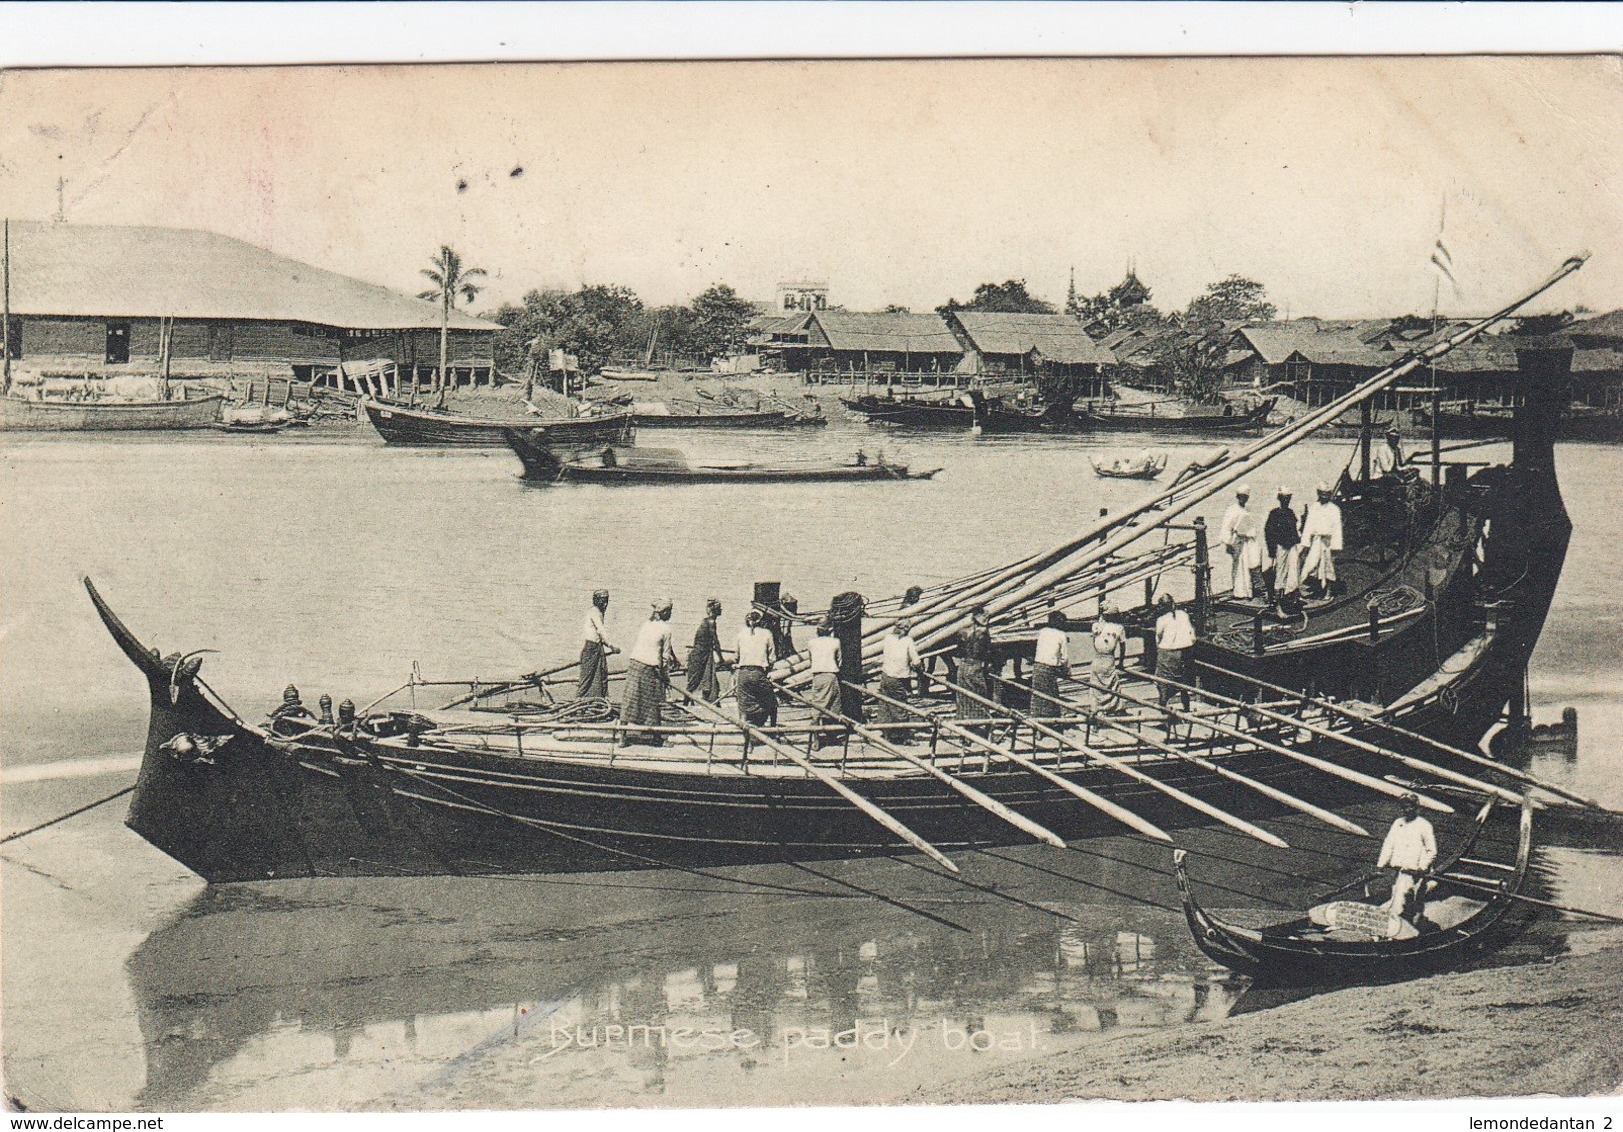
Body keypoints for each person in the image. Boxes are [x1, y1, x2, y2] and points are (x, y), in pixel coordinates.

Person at [619, 599, 678, 746]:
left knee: (630, 700)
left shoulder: (647, 624)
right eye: (670, 611)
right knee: (653, 704)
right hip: (649, 668)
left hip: (634, 664)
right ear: (664, 612)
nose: (671, 614)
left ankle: (622, 737)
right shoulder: (666, 629)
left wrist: (674, 658)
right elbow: (664, 657)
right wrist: (666, 677)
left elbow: (660, 646)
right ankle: (657, 739)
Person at [1376, 793, 1437, 920]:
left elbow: (1431, 850)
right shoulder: (1398, 823)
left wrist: (1421, 867)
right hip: (1400, 869)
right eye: (1404, 807)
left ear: (1416, 807)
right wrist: (1381, 864)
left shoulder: (1424, 825)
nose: (1407, 810)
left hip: (1414, 871)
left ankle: (1408, 924)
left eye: (1410, 807)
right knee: (1398, 893)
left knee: (1406, 899)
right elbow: (1389, 843)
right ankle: (1404, 921)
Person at [875, 618, 922, 732]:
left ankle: (885, 731)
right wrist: (919, 670)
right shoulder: (908, 641)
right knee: (900, 706)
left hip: (885, 676)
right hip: (898, 678)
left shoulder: (888, 638)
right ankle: (903, 735)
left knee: (885, 705)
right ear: (907, 629)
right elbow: (916, 661)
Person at [1218, 484, 1263, 601]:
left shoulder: (1247, 509)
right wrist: (1228, 543)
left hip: (1248, 541)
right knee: (1238, 567)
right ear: (1237, 496)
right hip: (1237, 540)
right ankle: (1239, 593)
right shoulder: (1232, 509)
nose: (1243, 498)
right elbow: (1226, 527)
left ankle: (1249, 591)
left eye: (1245, 496)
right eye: (1241, 496)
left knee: (1251, 564)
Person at [734, 610, 778, 727]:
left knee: (743, 703)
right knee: (772, 703)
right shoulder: (767, 633)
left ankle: (744, 728)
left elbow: (736, 657)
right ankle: (773, 729)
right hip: (758, 672)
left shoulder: (740, 634)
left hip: (743, 673)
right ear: (761, 621)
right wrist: (767, 670)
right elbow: (772, 658)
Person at [1301, 481, 1345, 598]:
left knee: (1328, 567)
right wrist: (1305, 543)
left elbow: (1337, 529)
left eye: (1327, 494)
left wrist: (1335, 547)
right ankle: (1315, 588)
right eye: (1322, 494)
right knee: (1311, 564)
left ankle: (1328, 592)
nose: (1325, 496)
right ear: (1318, 493)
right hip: (1316, 541)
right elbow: (1308, 526)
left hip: (1328, 542)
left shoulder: (1334, 509)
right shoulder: (1314, 508)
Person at [1153, 595, 1196, 714]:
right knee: (1183, 683)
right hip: (1185, 651)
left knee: (1163, 683)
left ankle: (1163, 710)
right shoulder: (1183, 614)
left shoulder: (1161, 620)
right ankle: (1186, 708)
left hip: (1167, 653)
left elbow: (1159, 636)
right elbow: (1191, 633)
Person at [804, 622, 844, 747]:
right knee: (833, 706)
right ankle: (828, 736)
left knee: (818, 705)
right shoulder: (835, 642)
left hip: (817, 676)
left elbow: (811, 660)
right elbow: (839, 661)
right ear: (830, 630)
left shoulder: (811, 643)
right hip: (831, 676)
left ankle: (816, 737)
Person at [1264, 487, 1304, 608]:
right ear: (1280, 499)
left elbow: (1294, 530)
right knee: (1280, 571)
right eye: (1285, 499)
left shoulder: (1291, 513)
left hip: (1291, 546)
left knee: (1294, 569)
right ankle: (1277, 600)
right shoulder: (1274, 514)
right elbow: (1268, 532)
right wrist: (1271, 550)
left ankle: (1292, 593)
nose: (1286, 501)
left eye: (1288, 499)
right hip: (1281, 546)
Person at [954, 605, 994, 723]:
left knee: (963, 697)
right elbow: (986, 652)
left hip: (963, 665)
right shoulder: (984, 633)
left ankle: (964, 725)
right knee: (980, 695)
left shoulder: (962, 632)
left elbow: (958, 651)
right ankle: (980, 724)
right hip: (976, 665)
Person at [1030, 610, 1070, 719]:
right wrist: (1067, 672)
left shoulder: (1043, 631)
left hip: (1037, 666)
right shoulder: (1062, 635)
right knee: (1051, 695)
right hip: (1049, 668)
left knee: (1037, 695)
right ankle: (1051, 720)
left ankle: (1036, 717)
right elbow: (1064, 658)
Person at [685, 598, 725, 704]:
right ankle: (686, 703)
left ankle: (714, 704)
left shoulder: (707, 621)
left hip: (703, 653)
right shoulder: (711, 622)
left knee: (711, 681)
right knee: (694, 681)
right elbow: (715, 642)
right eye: (719, 608)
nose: (721, 610)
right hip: (700, 654)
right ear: (715, 610)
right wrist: (721, 658)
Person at [1089, 601, 1126, 712]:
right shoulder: (1119, 628)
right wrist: (1121, 662)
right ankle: (1113, 709)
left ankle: (1097, 709)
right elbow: (1123, 647)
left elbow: (1094, 644)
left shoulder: (1096, 626)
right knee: (1112, 685)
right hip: (1109, 659)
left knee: (1096, 687)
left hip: (1097, 659)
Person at [578, 589, 616, 701]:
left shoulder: (599, 612)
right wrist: (611, 646)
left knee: (602, 673)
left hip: (597, 646)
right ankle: (579, 700)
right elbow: (600, 630)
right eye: (602, 601)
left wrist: (605, 643)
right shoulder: (594, 612)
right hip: (591, 647)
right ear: (596, 601)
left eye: (607, 601)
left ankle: (600, 700)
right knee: (587, 676)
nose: (605, 604)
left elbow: (599, 634)